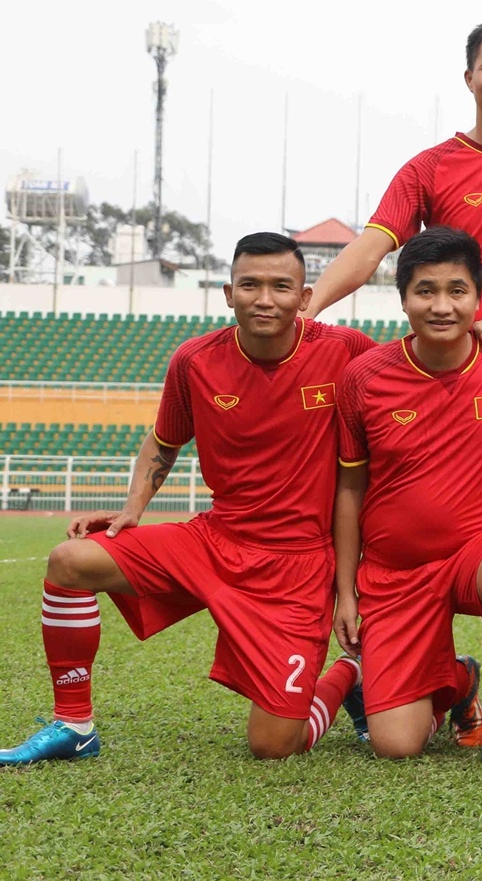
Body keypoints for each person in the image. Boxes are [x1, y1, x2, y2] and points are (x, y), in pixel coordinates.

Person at [307, 20, 482, 740]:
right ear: (468, 79)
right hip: (457, 360)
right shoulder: (429, 167)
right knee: (433, 521)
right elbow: (373, 247)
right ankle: (437, 671)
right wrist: (305, 310)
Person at [1, 234, 374, 765]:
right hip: (214, 540)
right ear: (227, 293)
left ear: (306, 297)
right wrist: (134, 508)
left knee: (274, 747)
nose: (264, 298)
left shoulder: (345, 351)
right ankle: (74, 725)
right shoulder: (196, 360)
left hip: (296, 565)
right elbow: (164, 439)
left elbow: (415, 371)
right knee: (70, 561)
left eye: (280, 286)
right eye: (249, 285)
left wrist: (475, 332)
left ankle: (347, 676)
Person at [332, 227, 482, 768]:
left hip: (476, 553)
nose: (441, 305)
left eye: (457, 291)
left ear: (479, 298)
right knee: (396, 744)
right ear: (403, 296)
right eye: (425, 291)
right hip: (395, 571)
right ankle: (460, 683)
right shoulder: (363, 378)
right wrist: (345, 591)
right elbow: (348, 488)